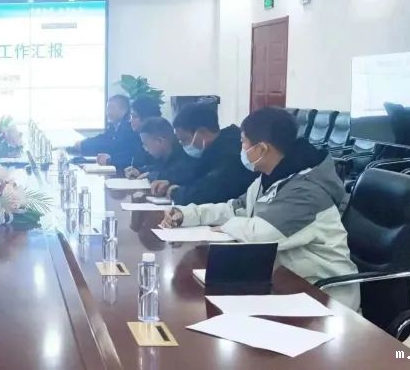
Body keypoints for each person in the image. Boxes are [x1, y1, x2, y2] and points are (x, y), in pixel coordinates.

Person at [160, 107, 359, 309]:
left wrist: (228, 226)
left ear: (262, 149)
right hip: (284, 282)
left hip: (325, 295)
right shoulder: (270, 177)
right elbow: (236, 208)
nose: (241, 149)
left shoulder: (306, 189)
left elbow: (263, 235)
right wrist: (188, 214)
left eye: (243, 142)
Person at [150, 102, 256, 205]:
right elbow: (194, 173)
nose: (183, 146)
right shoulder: (213, 149)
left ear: (202, 132)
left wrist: (176, 193)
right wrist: (170, 182)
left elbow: (207, 193)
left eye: (184, 140)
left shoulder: (231, 154)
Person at [96, 96, 160, 172]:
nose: (130, 120)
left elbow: (142, 161)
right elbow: (133, 157)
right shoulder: (137, 134)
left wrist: (111, 160)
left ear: (146, 118)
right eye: (130, 116)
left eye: (134, 116)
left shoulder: (156, 138)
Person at [125, 117, 197, 183]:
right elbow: (156, 168)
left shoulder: (184, 157)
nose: (145, 149)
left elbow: (174, 175)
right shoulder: (162, 155)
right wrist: (139, 171)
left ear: (159, 141)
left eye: (146, 144)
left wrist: (151, 176)